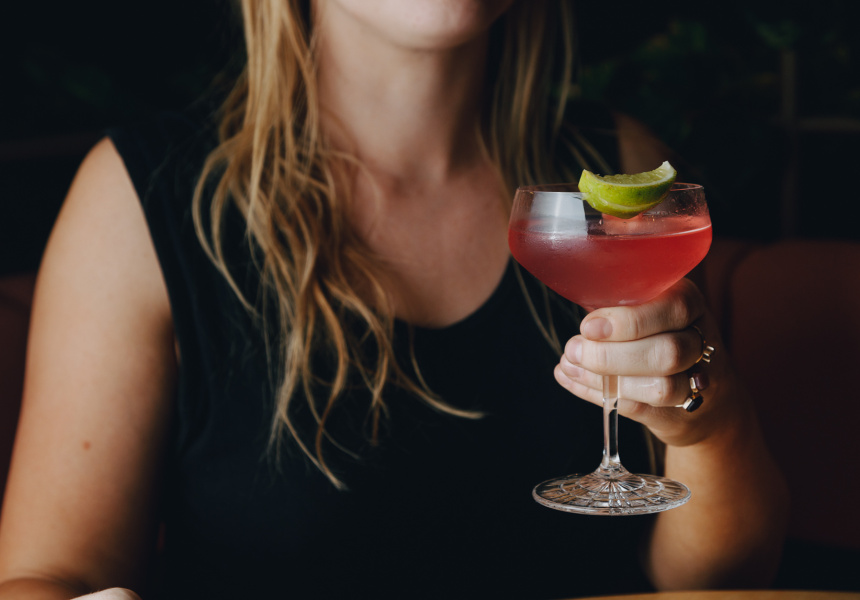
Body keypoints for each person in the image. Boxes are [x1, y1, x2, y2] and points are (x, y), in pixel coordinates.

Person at [0, 1, 788, 598]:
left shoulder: (618, 176)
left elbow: (722, 583)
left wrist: (710, 425)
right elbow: (48, 576)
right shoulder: (138, 201)